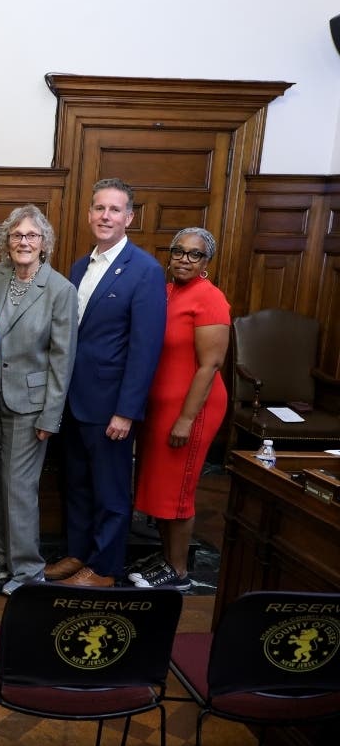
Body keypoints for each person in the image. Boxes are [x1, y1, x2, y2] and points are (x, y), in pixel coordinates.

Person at [44, 178, 166, 588]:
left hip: (111, 407)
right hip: (74, 402)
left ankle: (107, 568)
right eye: (99, 208)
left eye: (115, 210)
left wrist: (126, 411)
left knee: (111, 492)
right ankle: (80, 554)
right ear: (89, 213)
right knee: (76, 484)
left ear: (129, 217)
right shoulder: (80, 266)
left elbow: (145, 349)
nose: (105, 216)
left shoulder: (145, 270)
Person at [0, 206, 77, 595]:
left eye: (32, 236)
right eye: (17, 235)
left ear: (44, 243)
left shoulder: (60, 290)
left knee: (18, 485)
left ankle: (27, 569)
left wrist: (51, 415)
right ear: (8, 241)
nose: (23, 242)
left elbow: (62, 358)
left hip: (31, 404)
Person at [131, 228, 230, 590]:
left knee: (179, 488)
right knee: (160, 485)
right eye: (178, 252)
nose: (184, 259)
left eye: (194, 254)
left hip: (192, 408)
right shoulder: (168, 291)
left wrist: (187, 419)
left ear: (206, 262)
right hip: (160, 406)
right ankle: (166, 555)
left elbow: (211, 365)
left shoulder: (210, 298)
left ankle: (179, 571)